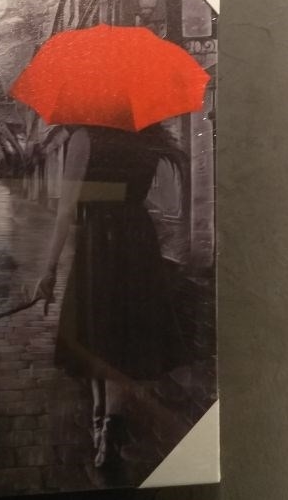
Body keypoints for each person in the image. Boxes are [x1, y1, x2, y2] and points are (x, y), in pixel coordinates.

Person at [33, 122, 187, 468]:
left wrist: (49, 269)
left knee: (95, 327)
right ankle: (109, 421)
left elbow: (66, 210)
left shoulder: (83, 138)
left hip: (99, 241)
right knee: (123, 335)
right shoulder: (150, 139)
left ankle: (102, 418)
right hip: (139, 240)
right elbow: (165, 203)